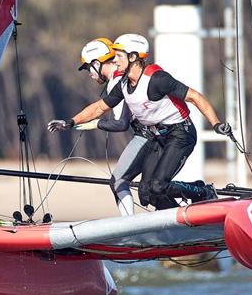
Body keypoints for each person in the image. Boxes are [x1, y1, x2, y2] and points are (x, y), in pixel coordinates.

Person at [48, 33, 230, 210]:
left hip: (181, 134)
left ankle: (202, 190)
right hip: (157, 136)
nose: (115, 60)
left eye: (119, 56)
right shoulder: (123, 84)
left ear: (133, 57)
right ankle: (176, 228)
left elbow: (195, 97)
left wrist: (215, 124)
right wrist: (70, 122)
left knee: (157, 186)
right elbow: (99, 108)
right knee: (147, 194)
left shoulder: (157, 79)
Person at [66, 38, 153, 216]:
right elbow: (98, 108)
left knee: (119, 182)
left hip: (148, 136)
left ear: (97, 63)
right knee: (151, 191)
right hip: (152, 135)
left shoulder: (117, 80)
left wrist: (96, 124)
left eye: (88, 68)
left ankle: (129, 227)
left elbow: (120, 123)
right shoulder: (119, 77)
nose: (89, 73)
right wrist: (72, 122)